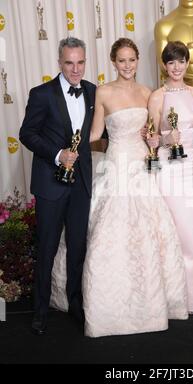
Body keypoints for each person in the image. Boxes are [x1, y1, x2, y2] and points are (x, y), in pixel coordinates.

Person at [51, 37, 188, 337]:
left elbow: (153, 134)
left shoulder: (148, 93)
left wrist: (157, 139)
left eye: (132, 59)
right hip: (115, 166)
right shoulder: (103, 92)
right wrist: (67, 149)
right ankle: (106, 308)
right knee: (107, 233)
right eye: (121, 60)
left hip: (142, 167)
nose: (127, 65)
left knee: (150, 230)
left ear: (138, 60)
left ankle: (151, 304)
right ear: (113, 62)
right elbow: (96, 133)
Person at [19, 37, 97, 335]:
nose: (75, 69)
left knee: (78, 247)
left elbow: (98, 134)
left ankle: (74, 304)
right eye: (69, 63)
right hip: (51, 184)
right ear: (59, 62)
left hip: (81, 185)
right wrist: (57, 154)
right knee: (48, 248)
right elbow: (27, 134)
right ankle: (39, 311)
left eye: (80, 62)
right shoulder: (41, 94)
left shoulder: (92, 91)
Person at [147, 41, 193, 314]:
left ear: (188, 63)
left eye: (181, 61)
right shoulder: (157, 96)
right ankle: (173, 299)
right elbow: (150, 137)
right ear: (165, 65)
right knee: (173, 231)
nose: (177, 67)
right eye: (171, 62)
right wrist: (165, 137)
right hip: (169, 169)